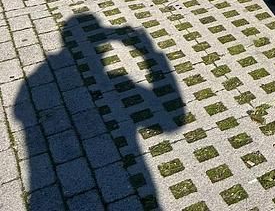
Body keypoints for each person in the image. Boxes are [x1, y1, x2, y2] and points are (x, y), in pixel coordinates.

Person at [13, 14, 184, 209]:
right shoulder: (116, 79)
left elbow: (20, 111)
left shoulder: (36, 77)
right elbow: (172, 122)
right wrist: (149, 53)